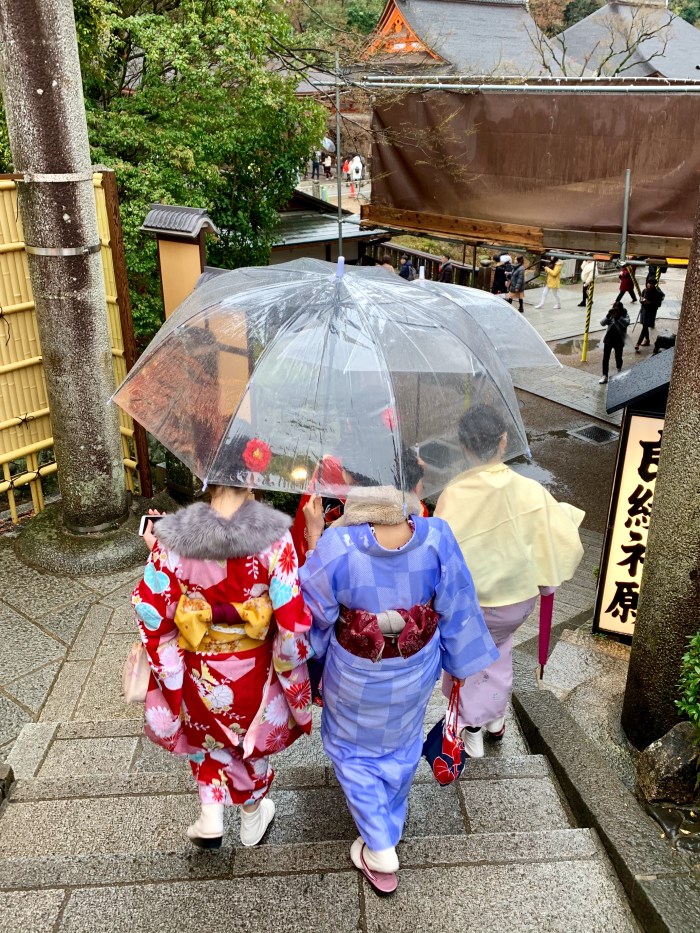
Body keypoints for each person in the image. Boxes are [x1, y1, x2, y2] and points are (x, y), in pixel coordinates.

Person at [299, 448, 498, 895]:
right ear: (415, 485)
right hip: (414, 669)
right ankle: (389, 817)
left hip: (355, 674)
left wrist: (314, 538)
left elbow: (312, 619)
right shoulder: (437, 537)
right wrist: (459, 665)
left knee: (352, 751)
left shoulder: (337, 546)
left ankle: (380, 847)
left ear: (354, 487)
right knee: (403, 740)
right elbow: (458, 606)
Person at [131, 439, 313, 851]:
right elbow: (291, 619)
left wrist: (158, 553)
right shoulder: (275, 537)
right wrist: (290, 665)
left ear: (205, 477)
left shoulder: (174, 536)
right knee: (250, 739)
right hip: (253, 670)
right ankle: (251, 816)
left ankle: (211, 813)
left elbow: (150, 609)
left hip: (200, 670)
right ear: (252, 478)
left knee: (207, 734)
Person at [434, 405, 584, 758]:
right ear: (503, 441)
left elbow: (438, 554)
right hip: (513, 605)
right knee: (499, 651)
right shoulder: (529, 490)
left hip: (470, 603)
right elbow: (557, 541)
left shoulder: (453, 493)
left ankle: (472, 727)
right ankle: (495, 719)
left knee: (469, 657)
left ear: (463, 446)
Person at [599, 301, 630, 384]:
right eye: (614, 309)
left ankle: (619, 369)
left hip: (619, 339)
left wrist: (618, 317)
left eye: (617, 309)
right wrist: (608, 315)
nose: (615, 311)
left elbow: (626, 323)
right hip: (608, 339)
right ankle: (604, 375)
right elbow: (602, 323)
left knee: (618, 356)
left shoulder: (624, 314)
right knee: (605, 358)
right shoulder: (611, 315)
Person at [635, 277, 665, 352]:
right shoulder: (644, 290)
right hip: (644, 311)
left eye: (651, 284)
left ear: (654, 285)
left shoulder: (657, 293)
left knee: (645, 327)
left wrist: (649, 302)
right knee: (645, 326)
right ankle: (647, 340)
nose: (649, 285)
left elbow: (658, 304)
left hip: (651, 312)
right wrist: (642, 300)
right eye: (648, 283)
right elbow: (641, 298)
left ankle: (638, 343)